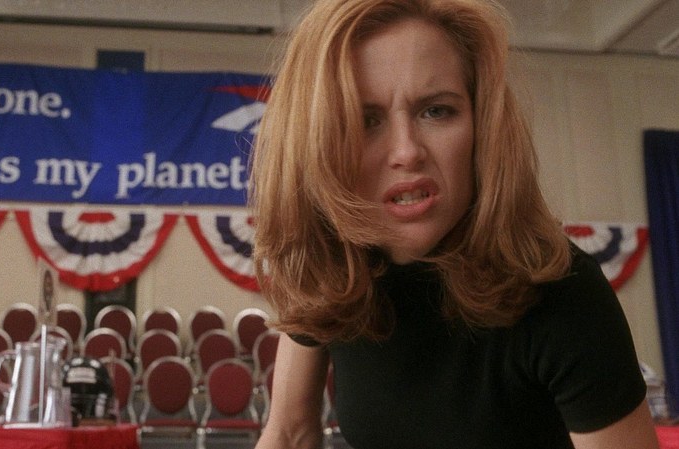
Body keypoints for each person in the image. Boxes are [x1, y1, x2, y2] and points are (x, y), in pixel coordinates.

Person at [248, 0, 660, 448]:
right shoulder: (334, 267)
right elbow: (288, 433)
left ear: (482, 125)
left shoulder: (564, 290)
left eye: (436, 111)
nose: (407, 151)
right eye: (365, 121)